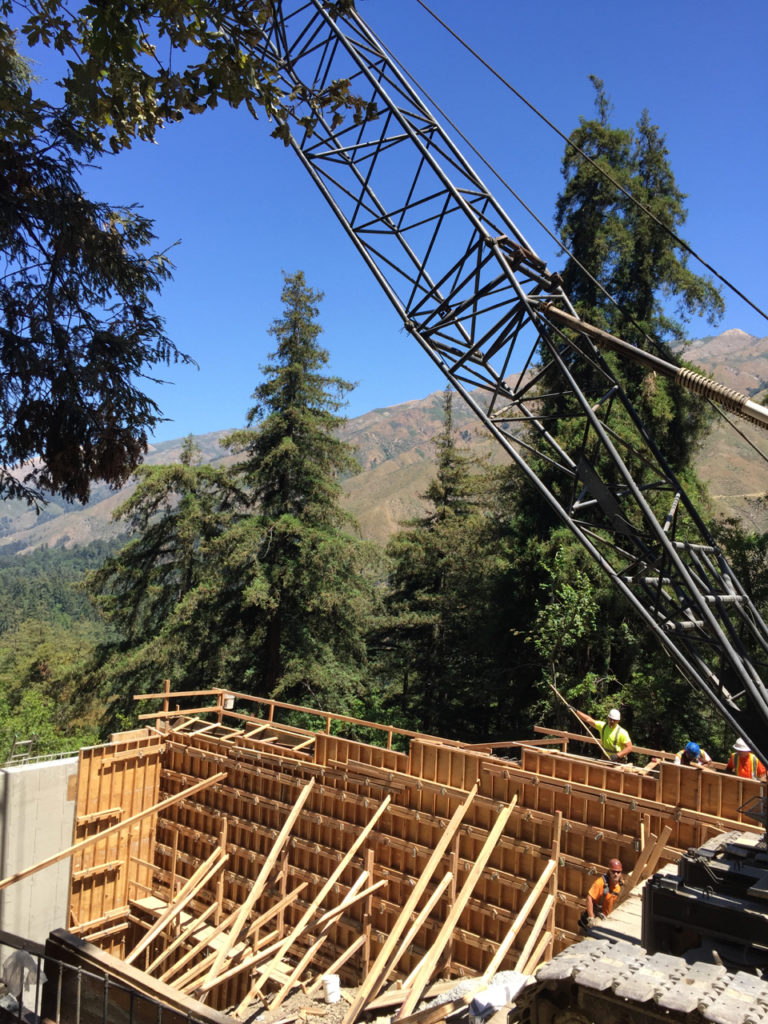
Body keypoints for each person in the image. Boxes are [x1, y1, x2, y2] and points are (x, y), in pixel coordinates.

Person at [579, 858, 624, 932]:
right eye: (613, 872)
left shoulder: (621, 884)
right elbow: (589, 897)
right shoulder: (600, 883)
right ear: (609, 871)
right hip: (599, 916)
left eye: (618, 872)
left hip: (610, 917)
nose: (616, 874)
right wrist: (591, 917)